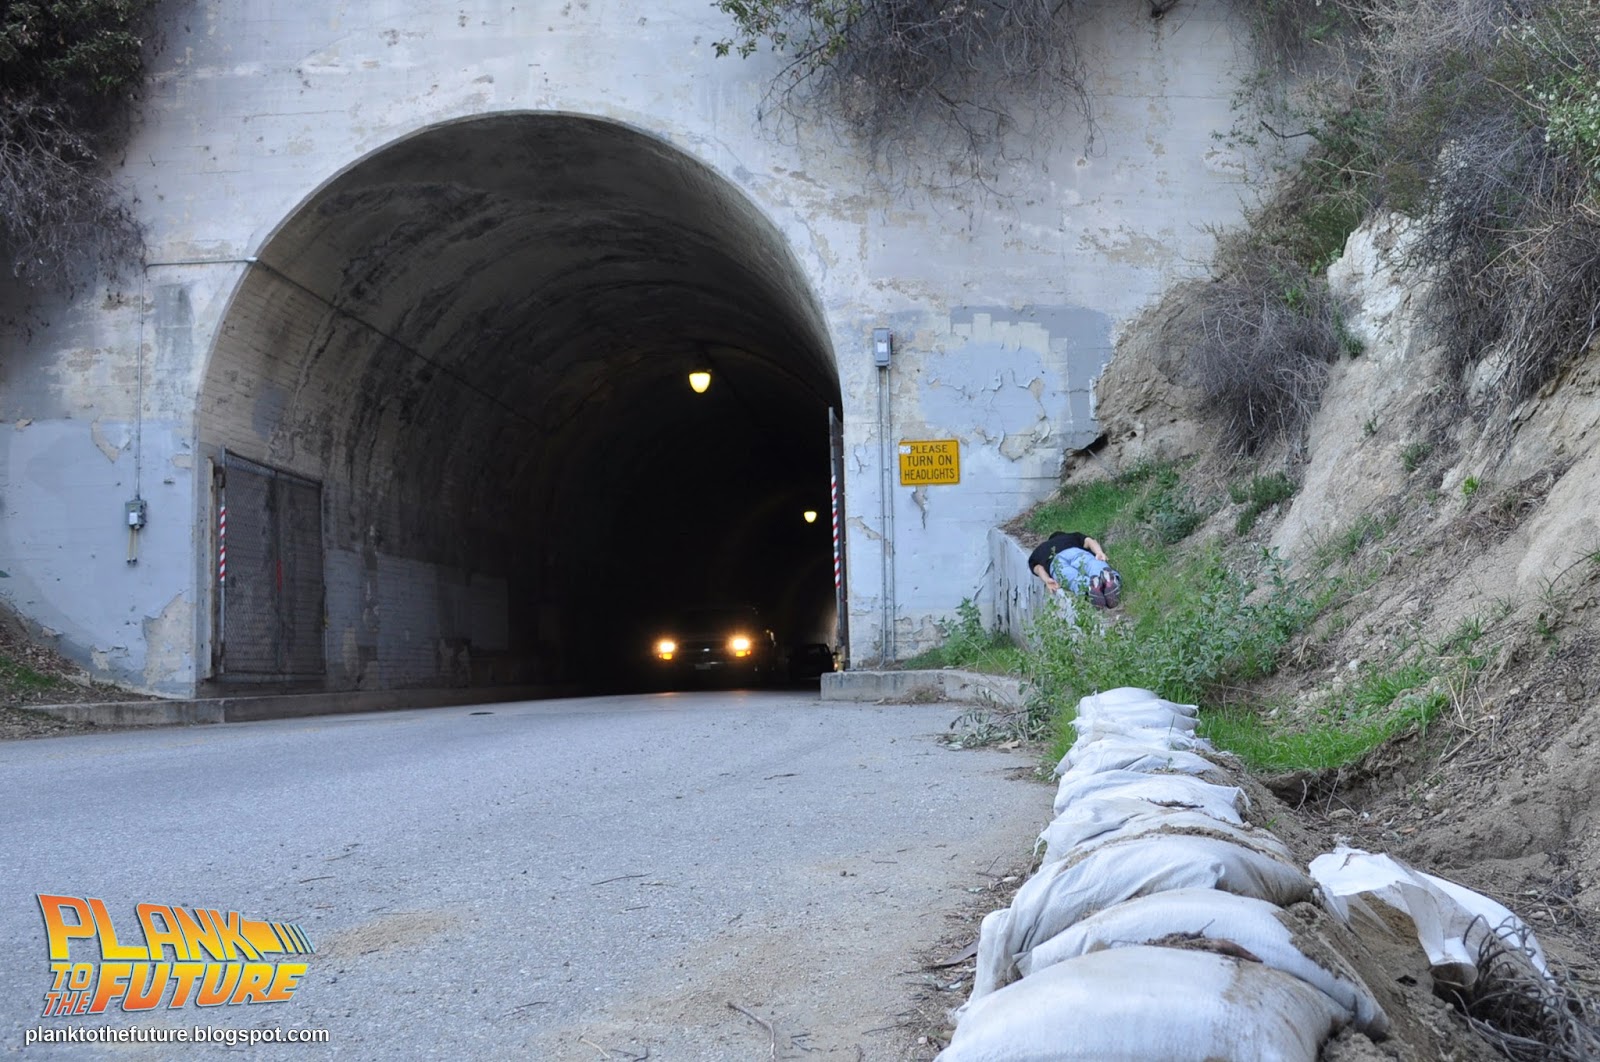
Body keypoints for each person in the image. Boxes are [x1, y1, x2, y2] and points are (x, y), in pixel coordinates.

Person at [1029, 530, 1121, 608]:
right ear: (1062, 534)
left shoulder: (1040, 549)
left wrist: (1047, 580)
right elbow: (1089, 541)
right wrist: (1099, 552)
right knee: (1091, 564)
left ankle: (1089, 588)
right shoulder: (1071, 536)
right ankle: (1106, 577)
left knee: (1072, 578)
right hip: (1075, 551)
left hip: (1055, 562)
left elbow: (1038, 568)